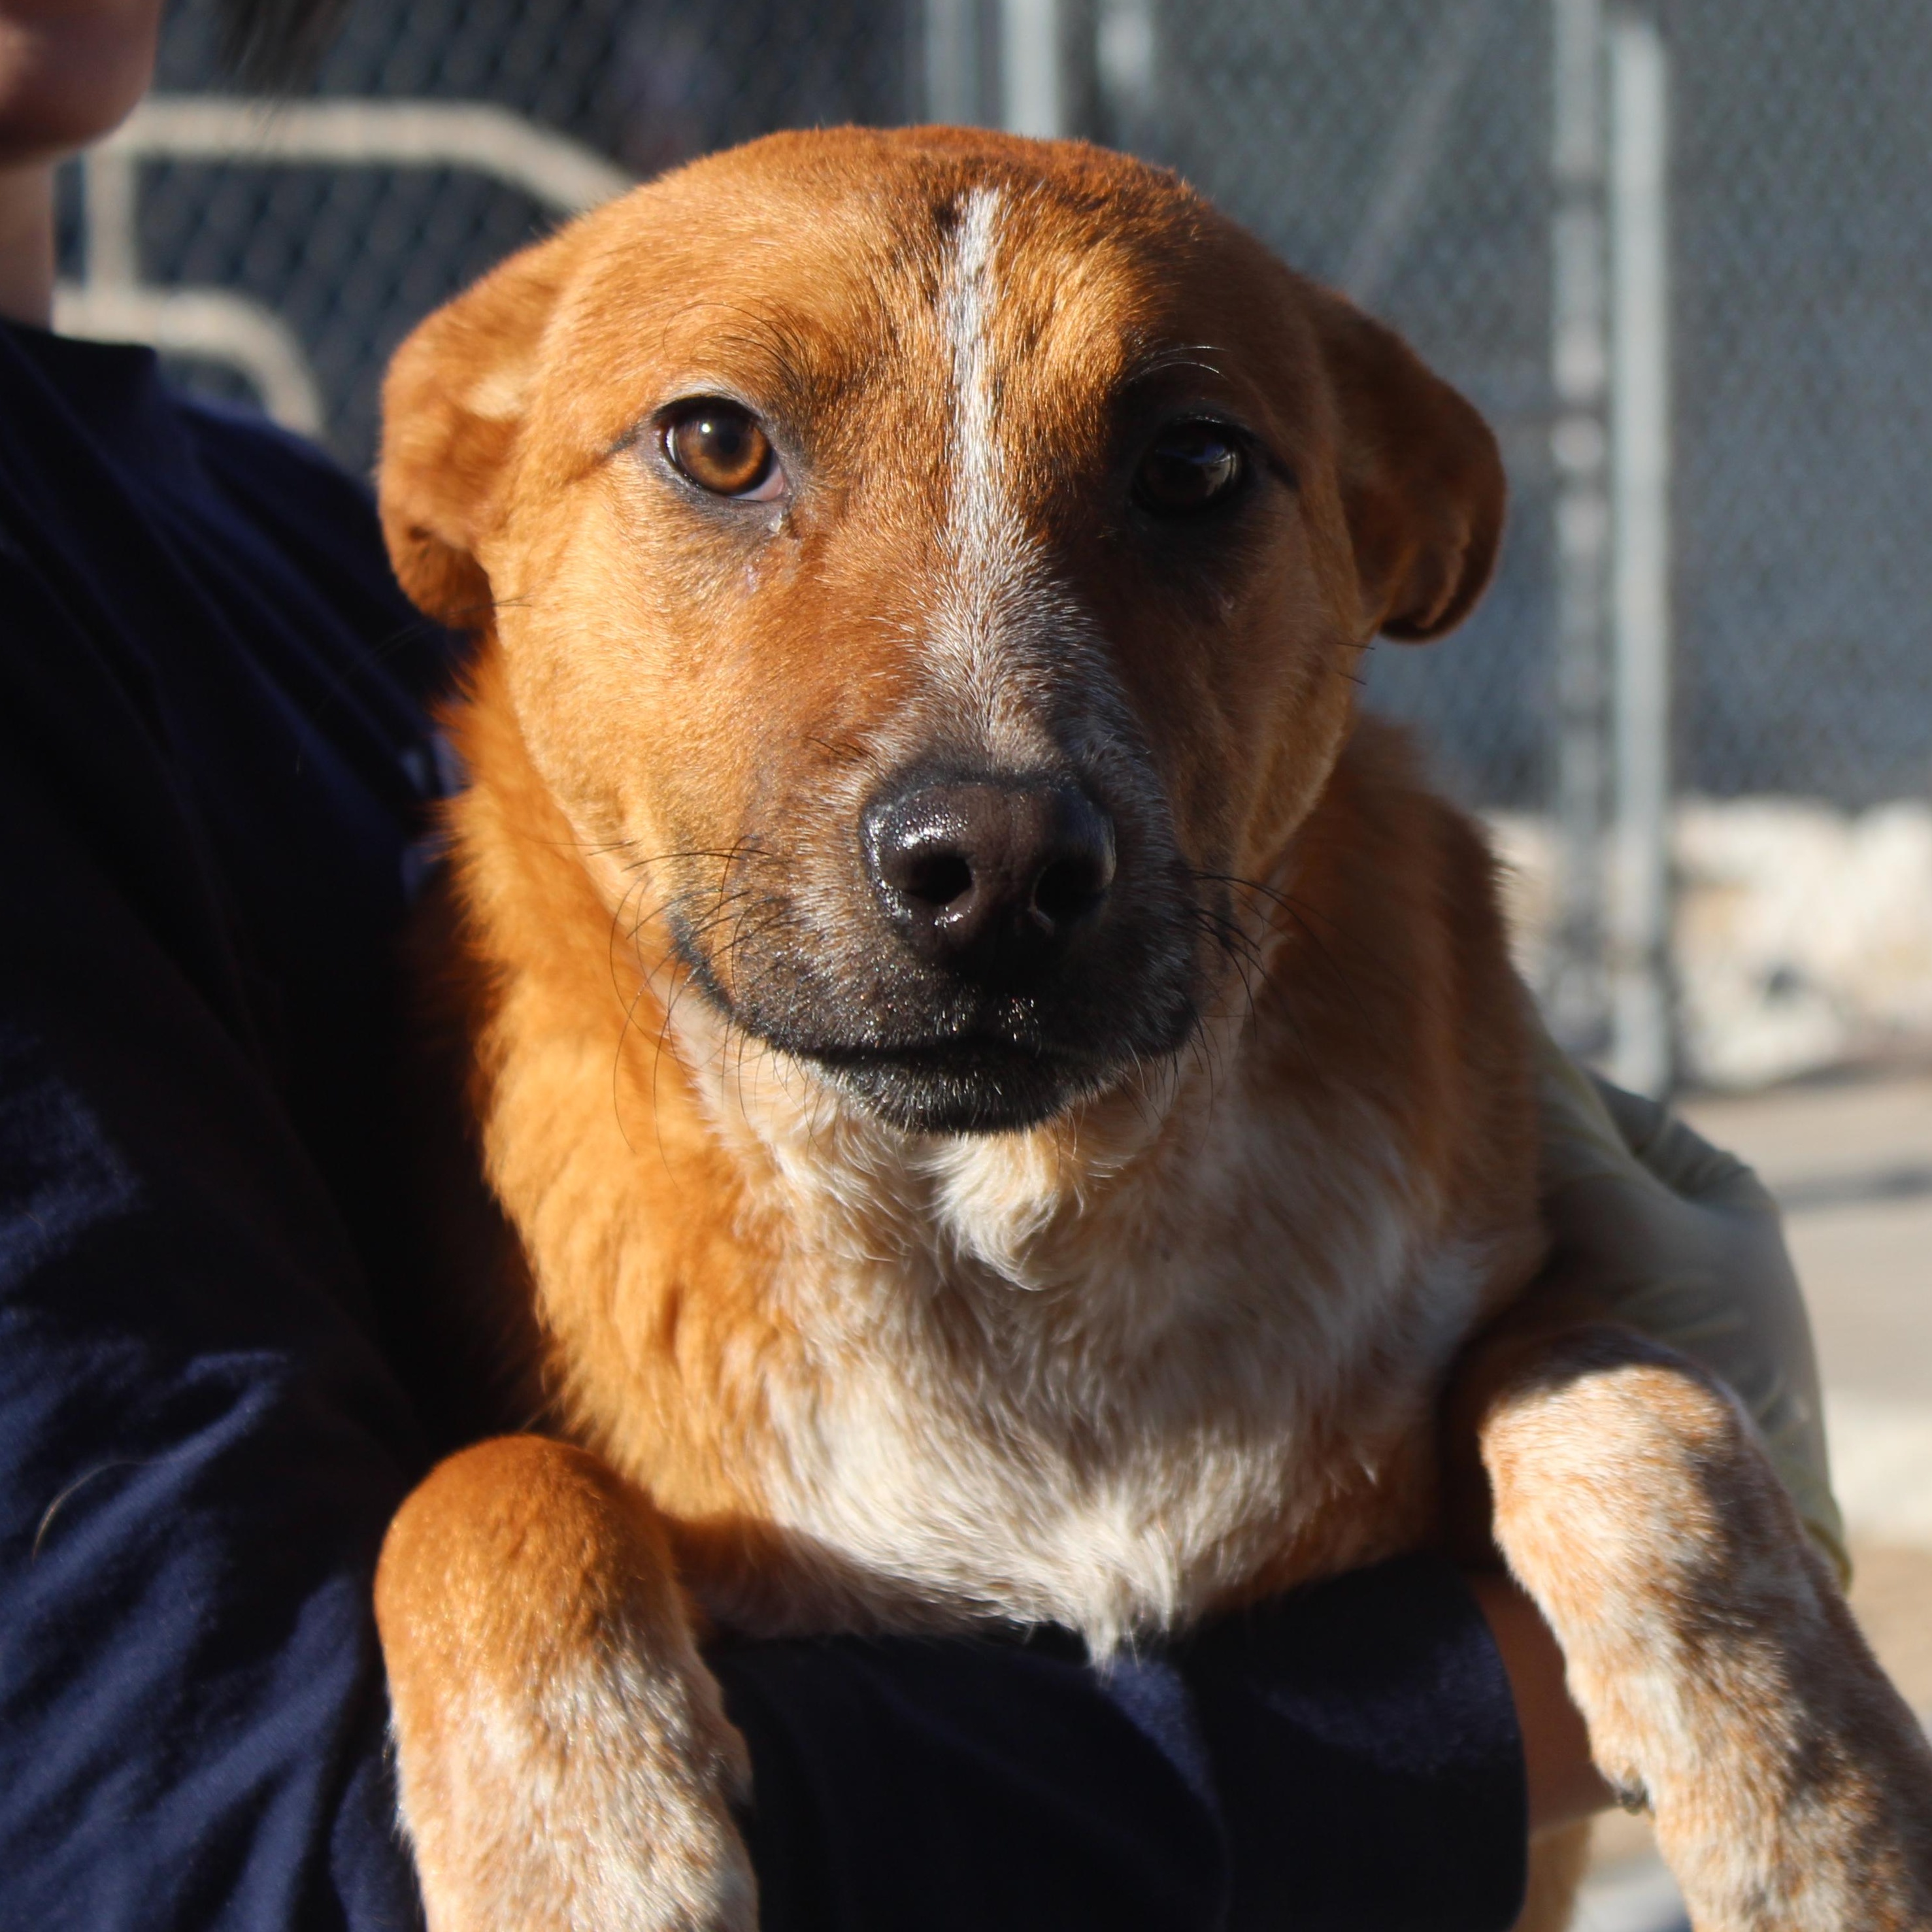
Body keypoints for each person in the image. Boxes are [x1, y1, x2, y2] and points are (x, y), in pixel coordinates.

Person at [0, 3, 1844, 1927]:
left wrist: (1599, 1425)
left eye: (1191, 476)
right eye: (722, 448)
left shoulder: (289, 541)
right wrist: (1519, 1697)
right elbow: (226, 1840)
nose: (1001, 798)